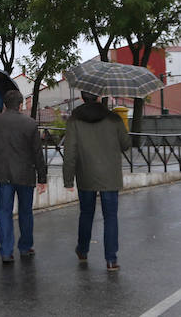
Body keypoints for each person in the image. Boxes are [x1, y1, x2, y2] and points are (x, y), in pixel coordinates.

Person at [63, 91, 131, 271]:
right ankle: (111, 260)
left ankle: (83, 250)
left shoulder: (74, 120)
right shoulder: (114, 119)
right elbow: (126, 144)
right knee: (110, 217)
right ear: (99, 98)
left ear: (82, 98)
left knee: (86, 213)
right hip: (110, 176)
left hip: (85, 174)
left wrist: (68, 179)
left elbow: (70, 152)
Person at [0, 90, 47, 263]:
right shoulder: (30, 123)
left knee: (4, 212)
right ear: (21, 105)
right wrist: (42, 177)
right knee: (26, 212)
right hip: (25, 174)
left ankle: (6, 251)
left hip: (3, 173)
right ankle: (25, 246)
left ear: (4, 105)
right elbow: (37, 153)